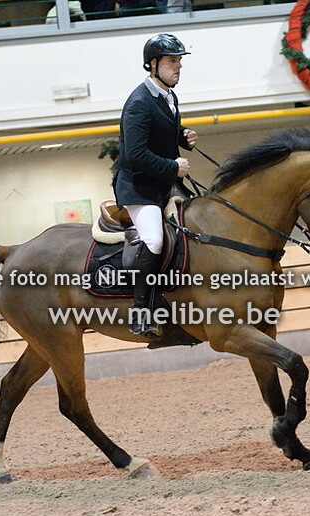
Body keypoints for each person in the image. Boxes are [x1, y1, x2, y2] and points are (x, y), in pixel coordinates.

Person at [113, 33, 198, 339]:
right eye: (172, 62)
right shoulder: (138, 103)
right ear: (152, 65)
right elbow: (135, 155)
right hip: (139, 188)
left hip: (162, 184)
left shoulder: (168, 96)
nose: (178, 67)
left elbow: (160, 135)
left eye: (179, 61)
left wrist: (182, 136)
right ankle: (141, 313)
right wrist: (173, 167)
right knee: (155, 241)